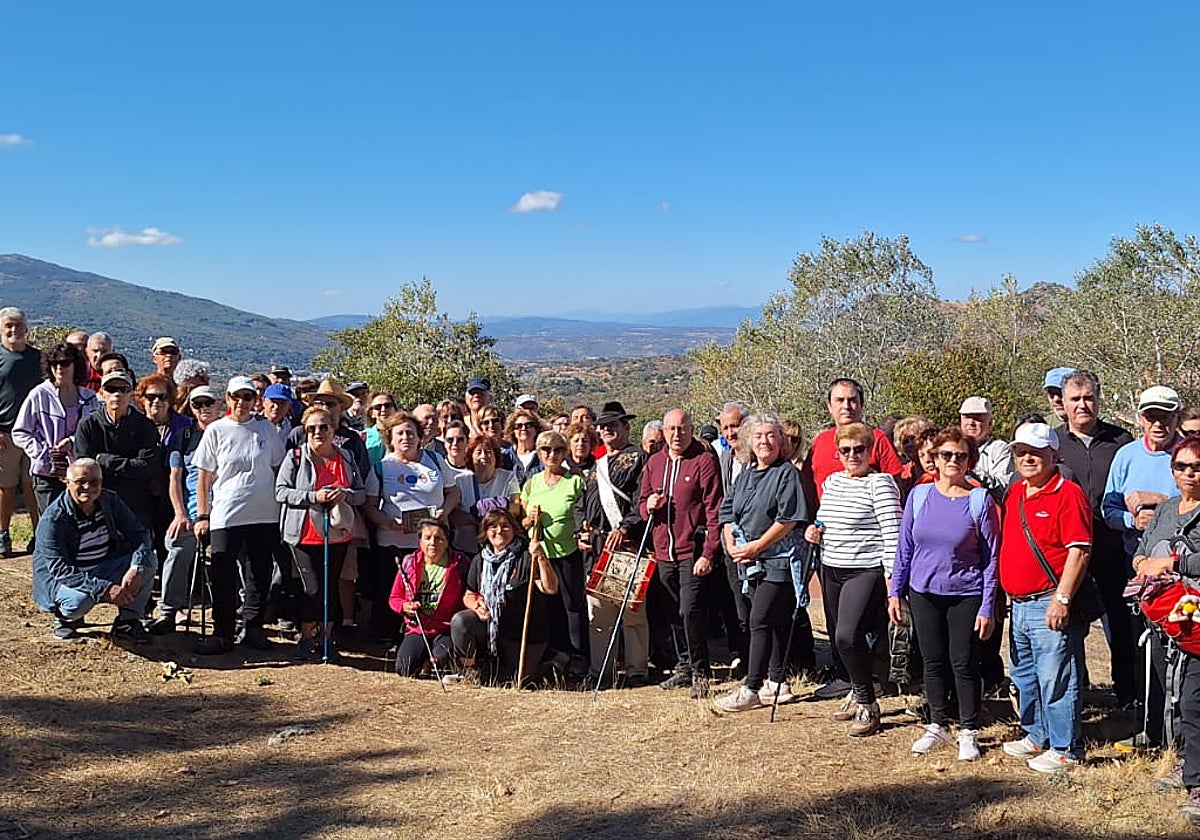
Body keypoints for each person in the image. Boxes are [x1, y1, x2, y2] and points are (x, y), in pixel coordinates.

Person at [888, 427, 1000, 759]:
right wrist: (895, 590)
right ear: (934, 458)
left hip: (966, 593)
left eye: (960, 456)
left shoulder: (979, 500)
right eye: (946, 454)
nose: (953, 461)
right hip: (923, 592)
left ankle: (968, 730)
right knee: (932, 660)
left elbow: (991, 557)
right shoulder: (919, 496)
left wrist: (988, 607)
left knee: (963, 662)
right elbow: (904, 547)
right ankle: (937, 724)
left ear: (970, 461)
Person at [998, 422, 1092, 772]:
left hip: (1047, 600)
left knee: (1057, 677)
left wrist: (1063, 598)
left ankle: (1067, 748)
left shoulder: (1068, 494)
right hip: (1019, 603)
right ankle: (1037, 734)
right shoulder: (1015, 493)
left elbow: (1079, 550)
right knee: (1025, 675)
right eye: (1021, 452)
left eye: (1035, 452)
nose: (1027, 458)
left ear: (1054, 454)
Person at [805, 421, 902, 736]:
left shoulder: (881, 483)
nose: (852, 455)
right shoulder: (833, 482)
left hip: (865, 569)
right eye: (845, 450)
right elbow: (824, 518)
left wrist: (892, 583)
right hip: (831, 566)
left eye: (859, 449)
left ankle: (868, 703)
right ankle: (857, 690)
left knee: (847, 635)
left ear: (870, 451)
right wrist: (814, 530)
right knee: (839, 638)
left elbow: (893, 535)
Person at [714, 414, 807, 712]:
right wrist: (731, 544)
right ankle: (777, 681)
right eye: (758, 436)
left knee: (759, 620)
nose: (764, 441)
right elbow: (726, 513)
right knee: (775, 621)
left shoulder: (786, 474)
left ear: (781, 442)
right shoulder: (746, 475)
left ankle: (751, 688)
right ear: (749, 443)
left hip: (779, 562)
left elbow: (788, 519)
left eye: (771, 435)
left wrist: (756, 546)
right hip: (750, 564)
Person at [1055, 370, 1135, 706]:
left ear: (1098, 400)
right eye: (1076, 399)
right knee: (1068, 625)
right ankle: (1076, 694)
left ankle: (1128, 694)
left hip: (1112, 547)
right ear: (1064, 403)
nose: (1083, 405)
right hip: (1067, 551)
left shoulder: (1122, 442)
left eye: (1089, 398)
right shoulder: (1053, 443)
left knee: (1121, 624)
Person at [1130, 436, 1200, 822]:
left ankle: (1197, 782)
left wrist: (1173, 565)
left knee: (1194, 698)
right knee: (1173, 694)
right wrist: (1142, 560)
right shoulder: (1169, 508)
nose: (1189, 474)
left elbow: (1179, 560)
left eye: (1196, 466)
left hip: (1195, 619)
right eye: (1181, 466)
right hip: (1163, 616)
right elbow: (1145, 545)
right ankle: (1188, 760)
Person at [191, 375, 286, 654]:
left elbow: (278, 468)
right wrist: (203, 515)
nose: (242, 402)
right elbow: (203, 478)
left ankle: (253, 628)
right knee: (223, 574)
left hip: (265, 514)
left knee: (259, 572)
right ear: (228, 399)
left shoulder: (267, 430)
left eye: (247, 397)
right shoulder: (216, 430)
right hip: (226, 515)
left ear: (254, 400)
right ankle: (222, 633)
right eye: (236, 397)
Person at [639, 409, 723, 699]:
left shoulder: (703, 461)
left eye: (682, 429)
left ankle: (701, 671)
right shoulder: (655, 463)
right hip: (664, 551)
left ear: (691, 429)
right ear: (663, 432)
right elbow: (641, 504)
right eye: (671, 429)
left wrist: (710, 552)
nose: (677, 435)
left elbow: (714, 509)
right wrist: (648, 504)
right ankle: (684, 665)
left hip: (693, 550)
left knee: (691, 611)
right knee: (673, 612)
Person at [275, 405, 367, 662]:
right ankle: (306, 637)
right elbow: (280, 492)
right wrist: (313, 497)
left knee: (330, 588)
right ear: (305, 431)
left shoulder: (346, 457)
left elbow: (360, 494)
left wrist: (345, 494)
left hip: (338, 534)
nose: (318, 432)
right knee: (312, 588)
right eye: (312, 428)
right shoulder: (295, 457)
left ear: (333, 429)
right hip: (303, 535)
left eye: (323, 427)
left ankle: (326, 639)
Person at [31, 458, 156, 643]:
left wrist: (136, 566)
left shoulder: (109, 500)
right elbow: (60, 570)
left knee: (148, 561)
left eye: (94, 482)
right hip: (66, 579)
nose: (88, 487)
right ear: (67, 483)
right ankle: (65, 620)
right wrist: (104, 589)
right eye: (81, 482)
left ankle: (128, 622)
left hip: (103, 565)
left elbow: (139, 534)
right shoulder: (53, 519)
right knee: (80, 601)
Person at [365, 413, 461, 642]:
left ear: (420, 437)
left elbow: (453, 493)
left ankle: (430, 636)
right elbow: (369, 507)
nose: (406, 437)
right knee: (393, 594)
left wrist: (443, 513)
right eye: (400, 433)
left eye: (410, 432)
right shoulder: (381, 468)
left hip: (433, 546)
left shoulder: (435, 461)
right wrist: (388, 522)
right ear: (391, 438)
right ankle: (390, 639)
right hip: (393, 543)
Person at [578, 401, 649, 688]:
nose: (607, 429)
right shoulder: (595, 466)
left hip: (627, 543)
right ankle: (602, 671)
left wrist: (625, 526)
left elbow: (642, 499)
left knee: (632, 610)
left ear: (626, 427)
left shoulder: (638, 458)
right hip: (596, 545)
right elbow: (581, 505)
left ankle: (637, 669)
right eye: (603, 426)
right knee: (599, 612)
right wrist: (579, 531)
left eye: (614, 425)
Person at [451, 508, 559, 685]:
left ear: (514, 529)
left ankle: (552, 663)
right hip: (492, 628)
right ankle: (471, 668)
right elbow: (469, 595)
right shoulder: (480, 560)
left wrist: (541, 557)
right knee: (461, 621)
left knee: (519, 681)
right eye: (493, 526)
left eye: (505, 526)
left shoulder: (526, 557)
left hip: (524, 633)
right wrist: (476, 605)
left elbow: (550, 588)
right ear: (485, 532)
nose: (499, 531)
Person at [149, 385, 222, 635]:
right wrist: (180, 514)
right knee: (177, 548)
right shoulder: (183, 436)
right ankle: (168, 612)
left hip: (226, 512)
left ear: (219, 404)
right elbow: (175, 478)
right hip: (191, 513)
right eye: (197, 404)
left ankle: (239, 612)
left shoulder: (230, 433)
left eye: (208, 403)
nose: (204, 409)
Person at [521, 430, 587, 678]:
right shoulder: (532, 483)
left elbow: (583, 515)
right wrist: (530, 519)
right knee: (549, 606)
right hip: (540, 553)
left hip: (567, 552)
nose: (552, 455)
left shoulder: (575, 481)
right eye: (546, 450)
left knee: (572, 605)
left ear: (565, 452)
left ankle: (578, 655)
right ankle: (555, 654)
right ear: (539, 454)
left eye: (557, 450)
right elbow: (523, 521)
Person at [13, 342, 100, 514]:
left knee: (79, 523)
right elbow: (20, 432)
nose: (59, 368)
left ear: (76, 365)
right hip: (47, 474)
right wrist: (43, 453)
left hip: (81, 475)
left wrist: (73, 441)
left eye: (65, 363)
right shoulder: (38, 395)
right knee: (51, 522)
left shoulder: (90, 398)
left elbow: (94, 432)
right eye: (54, 363)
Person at [73, 371, 161, 530]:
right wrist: (128, 466)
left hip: (136, 506)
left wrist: (103, 460)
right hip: (97, 504)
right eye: (111, 389)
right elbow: (84, 470)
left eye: (123, 389)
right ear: (101, 393)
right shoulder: (88, 425)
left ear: (132, 394)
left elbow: (145, 468)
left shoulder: (145, 427)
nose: (117, 394)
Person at [800, 378, 902, 508]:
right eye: (840, 400)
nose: (846, 406)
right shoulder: (820, 441)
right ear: (829, 406)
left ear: (862, 405)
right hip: (827, 524)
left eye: (852, 400)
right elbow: (807, 485)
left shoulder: (876, 438)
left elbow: (896, 485)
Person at [391, 518, 471, 677]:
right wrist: (404, 606)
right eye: (427, 538)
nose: (433, 543)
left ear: (447, 541)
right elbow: (394, 597)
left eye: (439, 538)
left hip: (446, 628)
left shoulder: (460, 564)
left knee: (439, 662)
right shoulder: (409, 563)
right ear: (420, 541)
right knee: (404, 669)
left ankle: (433, 660)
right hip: (418, 627)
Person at [135, 373, 191, 567]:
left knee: (167, 539)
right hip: (140, 491)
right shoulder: (135, 424)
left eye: (162, 396)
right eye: (150, 396)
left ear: (170, 399)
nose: (156, 401)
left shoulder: (183, 425)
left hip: (172, 492)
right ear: (142, 399)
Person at [0, 307, 42, 556]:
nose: (14, 330)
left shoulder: (38, 358)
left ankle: (40, 536)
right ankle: (3, 534)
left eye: (18, 325)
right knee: (5, 488)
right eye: (8, 325)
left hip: (34, 434)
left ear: (26, 328)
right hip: (5, 434)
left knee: (32, 486)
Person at [716, 400, 752, 676]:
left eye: (735, 425)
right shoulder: (725, 459)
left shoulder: (759, 457)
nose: (730, 432)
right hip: (732, 543)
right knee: (738, 604)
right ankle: (746, 657)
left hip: (758, 542)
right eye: (726, 427)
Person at [452, 435, 519, 555]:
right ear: (470, 456)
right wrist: (475, 517)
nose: (483, 456)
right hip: (466, 549)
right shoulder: (460, 481)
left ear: (495, 456)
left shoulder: (508, 477)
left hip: (500, 548)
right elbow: (453, 515)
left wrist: (500, 505)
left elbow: (517, 509)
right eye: (478, 452)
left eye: (488, 452)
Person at [958, 397, 1012, 502]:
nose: (971, 422)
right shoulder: (951, 449)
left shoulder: (999, 449)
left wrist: (971, 471)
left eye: (977, 418)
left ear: (990, 423)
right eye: (967, 417)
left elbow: (1004, 488)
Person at [506, 408, 545, 487]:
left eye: (528, 425)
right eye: (519, 426)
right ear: (513, 430)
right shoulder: (505, 457)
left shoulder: (544, 456)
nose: (523, 428)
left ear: (536, 429)